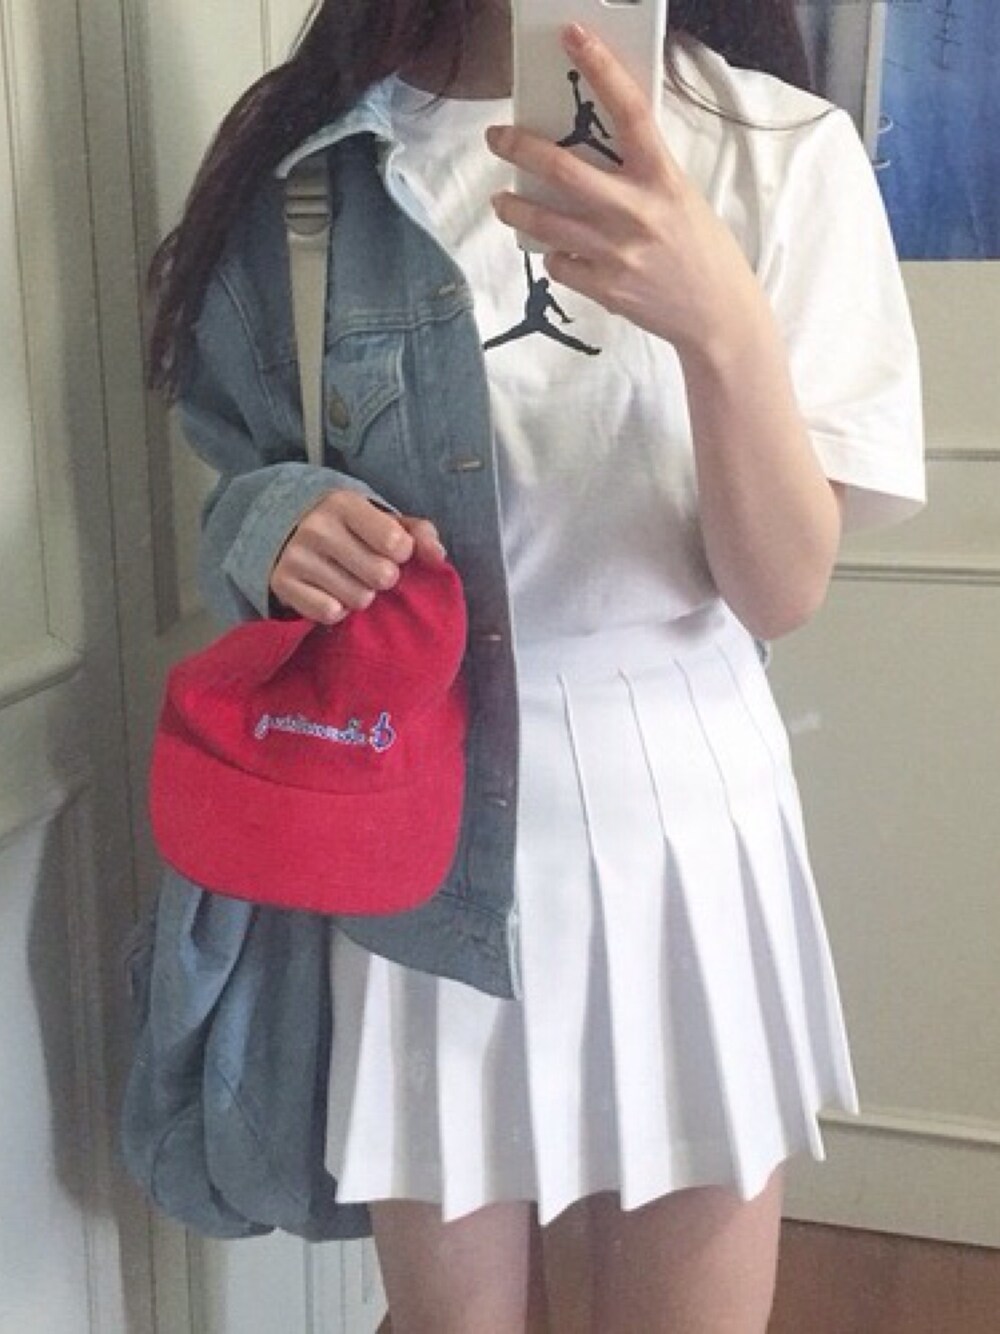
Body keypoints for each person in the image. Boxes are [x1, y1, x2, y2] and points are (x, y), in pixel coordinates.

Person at [146, 1, 925, 1329]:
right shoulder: (319, 167)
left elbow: (781, 588)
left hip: (683, 817)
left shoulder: (781, 150)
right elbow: (244, 476)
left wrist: (721, 324)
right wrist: (279, 523)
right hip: (418, 824)